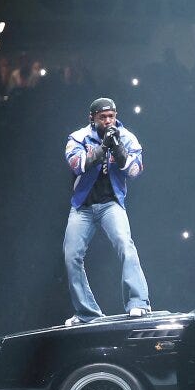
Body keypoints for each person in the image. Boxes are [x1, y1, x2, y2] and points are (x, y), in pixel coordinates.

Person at [62, 97, 151, 324]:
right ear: (92, 118)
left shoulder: (127, 137)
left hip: (111, 204)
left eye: (111, 116)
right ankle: (86, 312)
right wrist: (102, 148)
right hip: (82, 207)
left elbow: (134, 170)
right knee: (71, 255)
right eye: (103, 117)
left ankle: (139, 303)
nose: (108, 121)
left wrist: (117, 147)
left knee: (125, 245)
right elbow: (77, 164)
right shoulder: (78, 137)